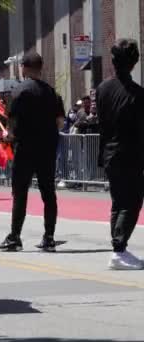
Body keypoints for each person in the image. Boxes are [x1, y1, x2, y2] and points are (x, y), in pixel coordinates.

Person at [0, 52, 65, 253]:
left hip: (25, 149)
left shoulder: (19, 91)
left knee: (20, 193)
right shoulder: (52, 93)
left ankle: (15, 236)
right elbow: (59, 122)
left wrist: (8, 136)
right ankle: (49, 237)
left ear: (24, 68)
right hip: (46, 149)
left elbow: (12, 122)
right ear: (41, 68)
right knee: (48, 193)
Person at [97, 39, 144, 270]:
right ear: (134, 62)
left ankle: (119, 248)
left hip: (108, 152)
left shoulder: (103, 89)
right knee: (132, 202)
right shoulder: (137, 94)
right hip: (130, 154)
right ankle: (118, 249)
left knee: (118, 202)